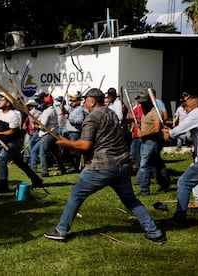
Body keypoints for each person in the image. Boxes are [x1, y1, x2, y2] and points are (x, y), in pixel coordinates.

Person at [44, 88, 166, 244]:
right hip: (121, 164)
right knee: (131, 201)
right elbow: (101, 141)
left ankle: (61, 231)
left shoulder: (92, 117)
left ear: (93, 101)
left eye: (86, 101)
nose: (84, 104)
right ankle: (154, 233)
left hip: (103, 166)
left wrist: (66, 143)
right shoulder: (111, 114)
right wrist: (78, 149)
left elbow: (86, 144)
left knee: (76, 195)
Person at [163, 95, 198, 225]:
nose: (185, 109)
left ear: (195, 106)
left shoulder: (197, 113)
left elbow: (176, 131)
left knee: (184, 182)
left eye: (186, 106)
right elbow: (191, 137)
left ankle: (179, 218)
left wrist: (169, 133)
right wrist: (177, 134)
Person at [0, 92, 43, 191]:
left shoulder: (14, 115)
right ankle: (36, 179)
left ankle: (3, 186)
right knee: (20, 163)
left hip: (14, 142)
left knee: (1, 160)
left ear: (8, 103)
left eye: (2, 100)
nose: (0, 101)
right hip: (5, 141)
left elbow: (12, 131)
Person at [136, 90, 171, 195]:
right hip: (144, 142)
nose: (141, 104)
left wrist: (143, 133)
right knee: (156, 164)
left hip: (152, 141)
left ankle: (144, 190)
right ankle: (165, 184)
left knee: (144, 165)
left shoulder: (156, 111)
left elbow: (156, 129)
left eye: (143, 102)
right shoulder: (144, 110)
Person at [30, 95, 65, 177]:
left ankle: (44, 172)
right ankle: (62, 168)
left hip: (47, 135)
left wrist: (36, 126)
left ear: (49, 104)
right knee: (55, 153)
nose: (43, 104)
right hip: (52, 134)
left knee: (42, 153)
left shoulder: (47, 112)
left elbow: (43, 125)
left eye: (45, 103)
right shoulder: (51, 110)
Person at [65, 91, 85, 172]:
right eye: (71, 101)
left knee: (74, 151)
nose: (71, 102)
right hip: (70, 132)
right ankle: (74, 166)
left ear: (78, 101)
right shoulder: (73, 109)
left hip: (75, 133)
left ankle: (76, 167)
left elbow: (80, 121)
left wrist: (69, 118)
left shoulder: (80, 109)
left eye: (73, 101)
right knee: (71, 151)